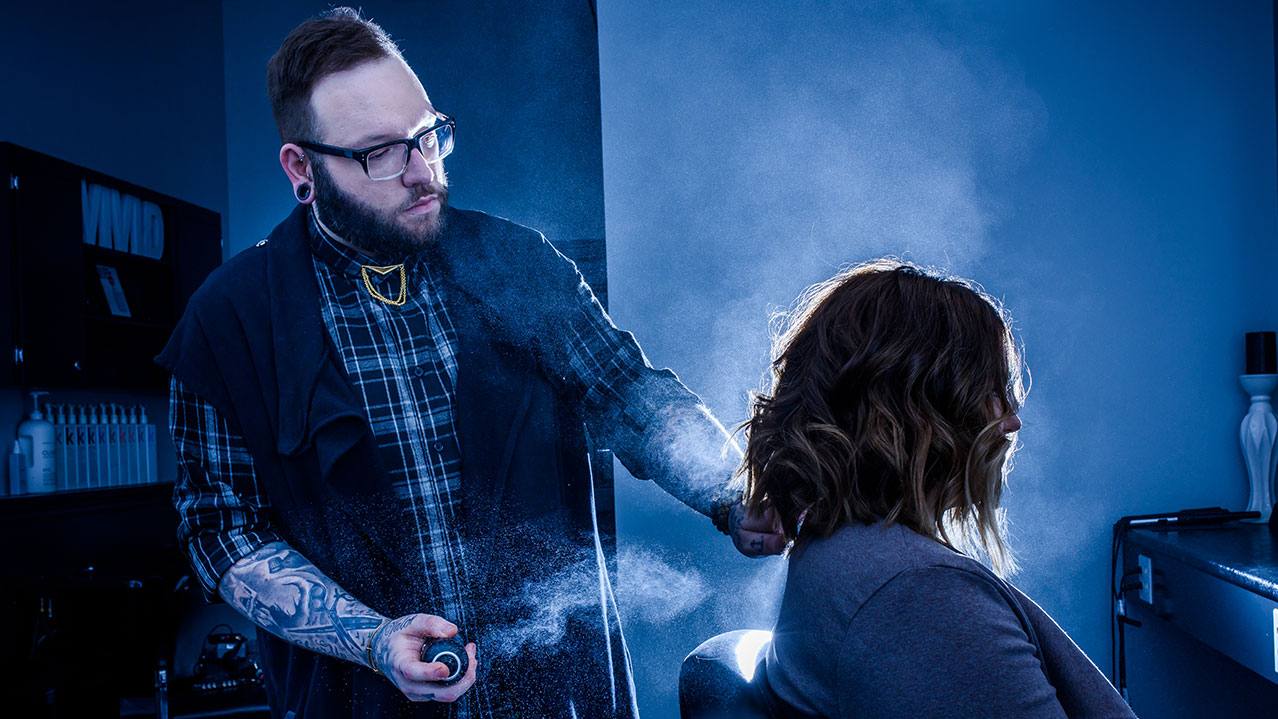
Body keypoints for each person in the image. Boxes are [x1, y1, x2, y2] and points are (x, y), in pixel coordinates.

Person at [159, 8, 784, 718]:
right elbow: (221, 528)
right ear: (302, 168)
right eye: (380, 153)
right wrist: (372, 639)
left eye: (429, 135)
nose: (425, 173)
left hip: (557, 696)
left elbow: (626, 390)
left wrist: (732, 490)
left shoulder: (518, 263)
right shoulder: (226, 323)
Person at [742, 260, 1137, 719]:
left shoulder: (843, 552)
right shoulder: (920, 600)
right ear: (915, 411)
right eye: (989, 392)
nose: (1010, 421)